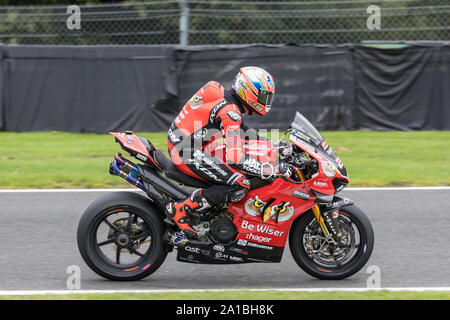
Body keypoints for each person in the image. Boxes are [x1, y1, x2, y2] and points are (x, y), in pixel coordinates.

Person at [165, 66, 291, 238]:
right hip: (186, 151)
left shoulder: (220, 93)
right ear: (249, 92)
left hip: (187, 143)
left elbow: (242, 131)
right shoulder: (229, 112)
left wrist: (272, 145)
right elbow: (236, 158)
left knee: (237, 169)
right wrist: (269, 170)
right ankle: (181, 209)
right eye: (263, 96)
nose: (266, 101)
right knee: (239, 182)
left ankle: (214, 210)